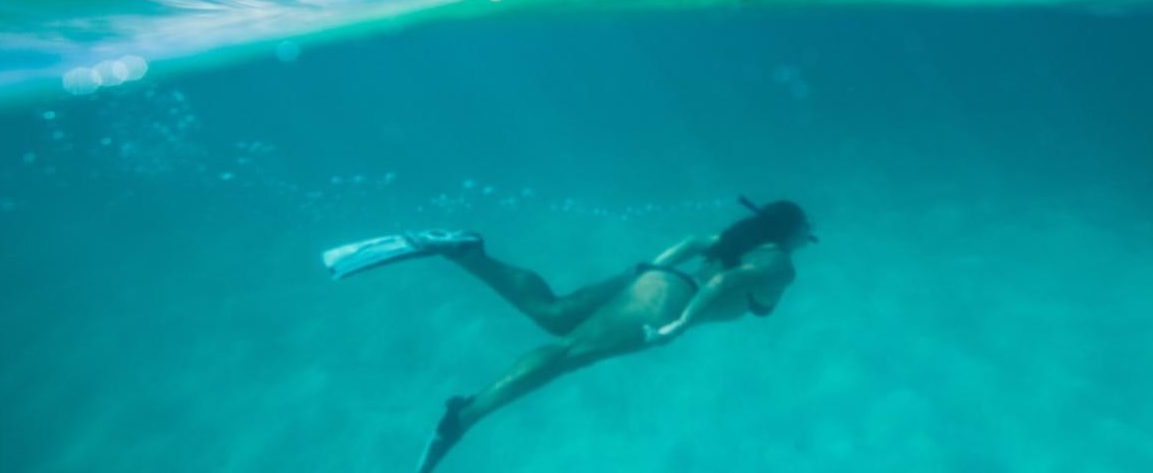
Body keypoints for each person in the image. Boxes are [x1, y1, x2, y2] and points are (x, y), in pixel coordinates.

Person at [322, 197, 817, 472]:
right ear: (793, 230)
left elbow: (692, 243)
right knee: (568, 353)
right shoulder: (780, 264)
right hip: (669, 298)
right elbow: (727, 283)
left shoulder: (737, 240)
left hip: (650, 280)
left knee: (554, 313)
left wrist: (646, 271)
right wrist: (676, 326)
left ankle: (469, 252)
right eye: (806, 229)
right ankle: (463, 417)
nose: (807, 237)